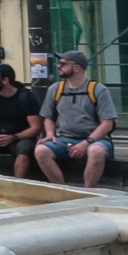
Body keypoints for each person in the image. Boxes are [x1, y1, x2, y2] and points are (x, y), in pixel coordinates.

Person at [34, 50, 118, 187]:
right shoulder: (55, 89)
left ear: (76, 68)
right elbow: (48, 117)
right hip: (65, 139)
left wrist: (86, 142)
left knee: (96, 151)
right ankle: (63, 189)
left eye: (63, 64)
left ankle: (88, 191)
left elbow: (107, 123)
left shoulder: (98, 89)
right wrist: (50, 134)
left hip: (96, 140)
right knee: (41, 150)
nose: (58, 66)